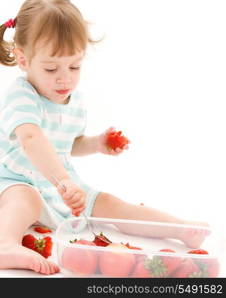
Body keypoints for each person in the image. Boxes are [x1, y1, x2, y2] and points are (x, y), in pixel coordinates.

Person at [0, 0, 209, 275]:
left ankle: (178, 227)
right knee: (25, 200)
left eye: (74, 67)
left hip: (63, 186)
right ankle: (4, 243)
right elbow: (31, 139)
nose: (65, 80)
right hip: (16, 178)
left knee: (110, 203)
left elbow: (68, 145)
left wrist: (96, 143)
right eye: (51, 69)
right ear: (24, 59)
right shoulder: (22, 95)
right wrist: (62, 180)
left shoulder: (72, 100)